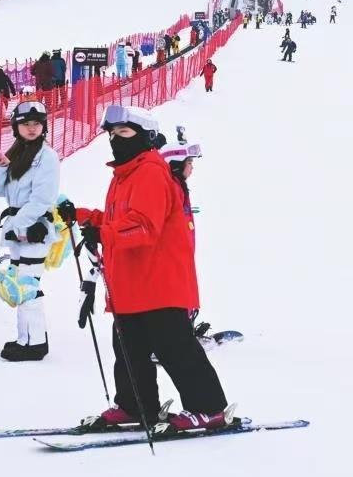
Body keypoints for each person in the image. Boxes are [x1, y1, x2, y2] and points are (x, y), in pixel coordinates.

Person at [57, 106, 235, 433]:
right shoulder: (124, 175)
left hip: (159, 282)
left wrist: (104, 233)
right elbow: (118, 221)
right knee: (128, 349)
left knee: (174, 347)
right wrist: (83, 216)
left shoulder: (151, 172)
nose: (116, 139)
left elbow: (144, 226)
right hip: (131, 283)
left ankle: (208, 408)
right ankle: (135, 405)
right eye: (112, 134)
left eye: (124, 133)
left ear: (145, 137)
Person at [0, 101, 60, 362]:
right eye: (26, 124)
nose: (31, 128)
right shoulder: (18, 153)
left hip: (34, 229)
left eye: (36, 124)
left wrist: (18, 226)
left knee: (28, 285)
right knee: (20, 284)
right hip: (19, 229)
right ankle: (25, 339)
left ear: (44, 126)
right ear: (16, 127)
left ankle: (35, 344)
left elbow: (42, 199)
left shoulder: (47, 157)